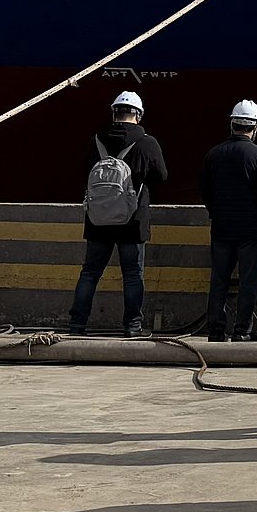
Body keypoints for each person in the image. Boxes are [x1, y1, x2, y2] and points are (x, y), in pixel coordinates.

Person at [69, 91, 169, 337]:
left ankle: (77, 324)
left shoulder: (97, 140)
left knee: (90, 273)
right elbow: (162, 176)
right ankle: (132, 326)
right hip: (132, 220)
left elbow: (84, 171)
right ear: (139, 115)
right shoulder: (147, 142)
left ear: (114, 113)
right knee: (133, 275)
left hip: (98, 219)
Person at [199, 99, 257, 342]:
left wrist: (216, 212)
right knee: (248, 281)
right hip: (252, 231)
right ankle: (242, 331)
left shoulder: (214, 154)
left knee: (219, 280)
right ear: (256, 127)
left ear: (232, 124)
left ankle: (215, 330)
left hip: (222, 227)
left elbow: (205, 190)